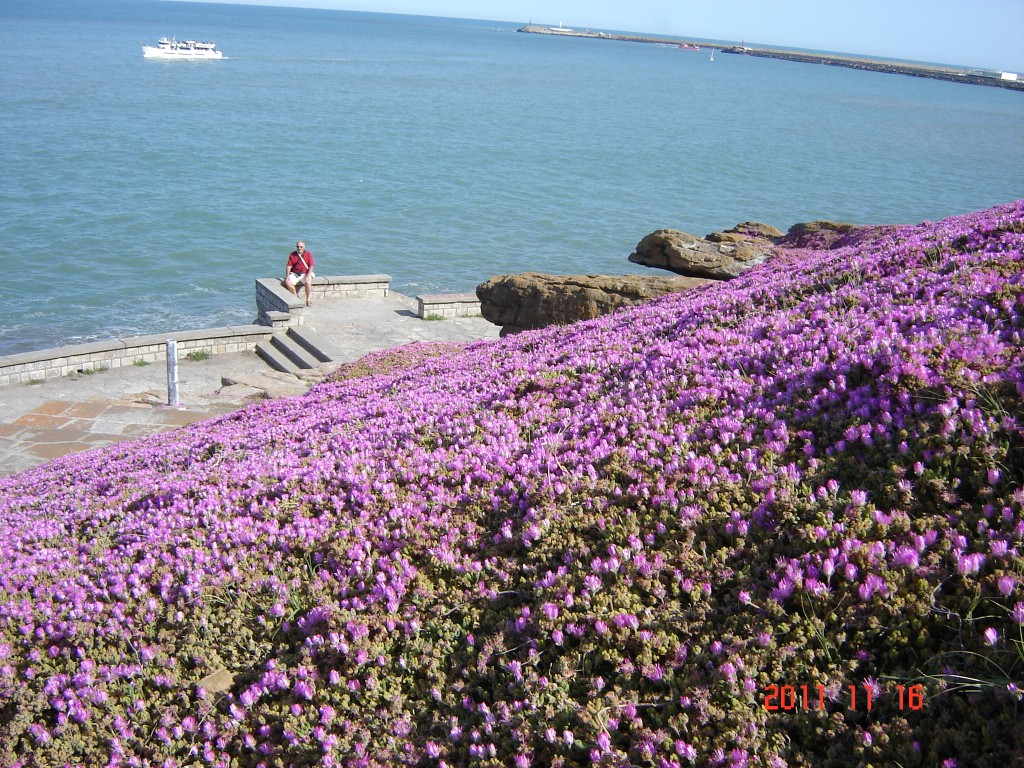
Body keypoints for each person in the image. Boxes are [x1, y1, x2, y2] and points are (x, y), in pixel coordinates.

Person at [283, 241, 315, 307]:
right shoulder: (292, 255)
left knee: (308, 282)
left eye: (301, 247)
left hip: (305, 273)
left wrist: (308, 276)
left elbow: (311, 266)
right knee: (288, 282)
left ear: (304, 247)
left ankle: (308, 300)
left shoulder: (308, 254)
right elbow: (289, 266)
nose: (299, 248)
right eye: (298, 247)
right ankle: (295, 297)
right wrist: (287, 276)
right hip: (295, 274)